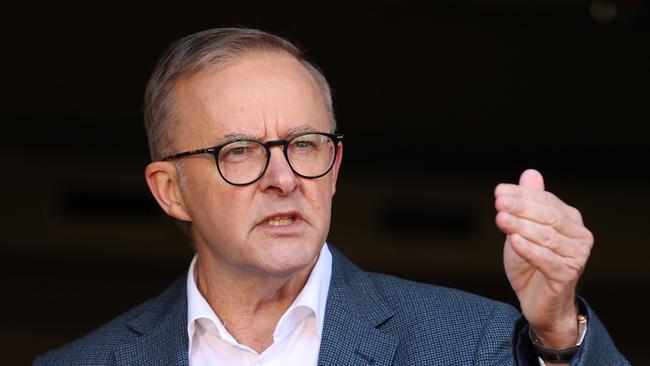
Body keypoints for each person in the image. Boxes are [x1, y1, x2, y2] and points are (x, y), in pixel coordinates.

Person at [34, 27, 629, 365]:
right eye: (239, 151)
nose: (284, 177)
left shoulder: (477, 343)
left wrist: (555, 332)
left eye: (306, 143)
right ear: (170, 192)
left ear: (335, 165)